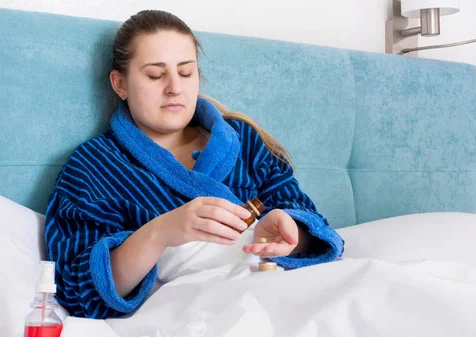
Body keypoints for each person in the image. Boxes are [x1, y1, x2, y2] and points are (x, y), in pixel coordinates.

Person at [44, 9, 344, 319]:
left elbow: (312, 226)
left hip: (275, 293)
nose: (175, 87)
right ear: (120, 83)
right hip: (192, 312)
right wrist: (159, 232)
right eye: (155, 74)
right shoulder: (92, 167)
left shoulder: (243, 141)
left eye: (186, 72)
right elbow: (76, 289)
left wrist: (288, 235)